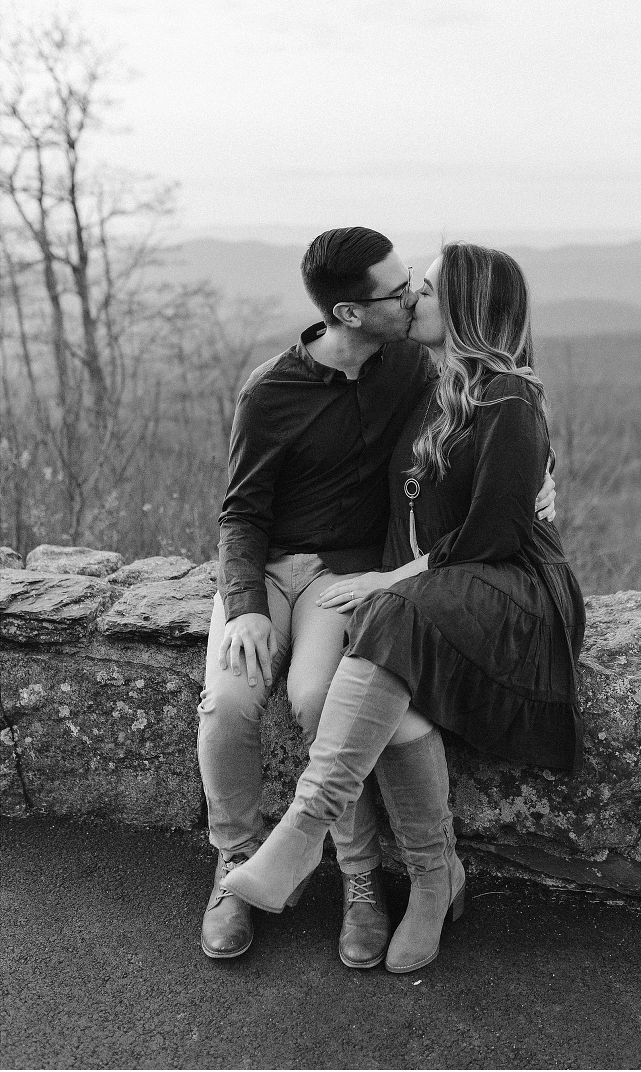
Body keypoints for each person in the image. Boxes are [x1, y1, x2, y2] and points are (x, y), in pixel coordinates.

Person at [222, 242, 586, 974]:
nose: (412, 301)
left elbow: (494, 532)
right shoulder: (429, 381)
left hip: (507, 589)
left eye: (424, 291)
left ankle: (303, 827)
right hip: (442, 585)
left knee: (388, 615)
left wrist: (395, 577)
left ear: (463, 306)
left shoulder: (508, 393)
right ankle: (433, 876)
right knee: (396, 702)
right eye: (407, 291)